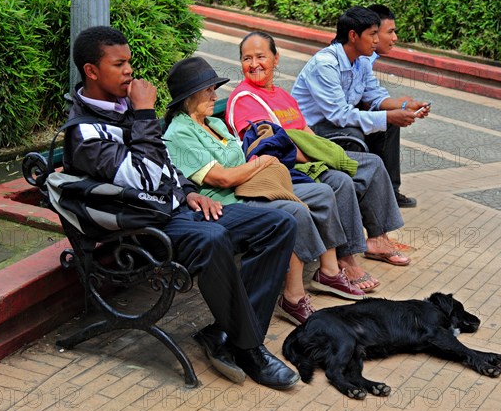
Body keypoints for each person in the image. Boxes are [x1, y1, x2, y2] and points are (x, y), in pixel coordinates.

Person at [64, 26, 300, 389]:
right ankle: (249, 348)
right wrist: (144, 113)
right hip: (141, 227)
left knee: (279, 224)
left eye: (129, 62)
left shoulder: (123, 108)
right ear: (92, 71)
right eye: (119, 64)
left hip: (176, 209)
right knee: (213, 237)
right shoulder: (86, 132)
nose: (129, 71)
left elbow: (164, 163)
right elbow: (140, 180)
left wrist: (189, 190)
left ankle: (224, 332)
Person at [163, 57, 366, 328]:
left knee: (322, 192)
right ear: (188, 97)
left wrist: (259, 164)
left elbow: (241, 160)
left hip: (251, 185)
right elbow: (222, 178)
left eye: (214, 88)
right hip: (226, 201)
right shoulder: (180, 132)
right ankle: (293, 297)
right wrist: (261, 163)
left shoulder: (213, 123)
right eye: (208, 90)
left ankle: (328, 270)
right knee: (293, 211)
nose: (215, 95)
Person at [226, 31, 410, 291]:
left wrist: (329, 153)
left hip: (310, 157)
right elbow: (273, 146)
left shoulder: (281, 94)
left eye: (261, 57)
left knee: (372, 164)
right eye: (247, 58)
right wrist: (322, 159)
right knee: (339, 181)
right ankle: (345, 259)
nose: (254, 64)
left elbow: (307, 132)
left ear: (276, 59)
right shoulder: (245, 99)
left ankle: (377, 239)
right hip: (285, 168)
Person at [291, 6, 431, 208]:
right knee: (355, 132)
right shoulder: (325, 64)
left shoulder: (361, 62)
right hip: (311, 131)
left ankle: (388, 192)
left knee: (387, 123)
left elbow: (375, 96)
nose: (376, 40)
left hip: (336, 124)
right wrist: (388, 116)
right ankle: (357, 198)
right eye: (373, 34)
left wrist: (406, 106)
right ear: (353, 36)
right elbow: (339, 115)